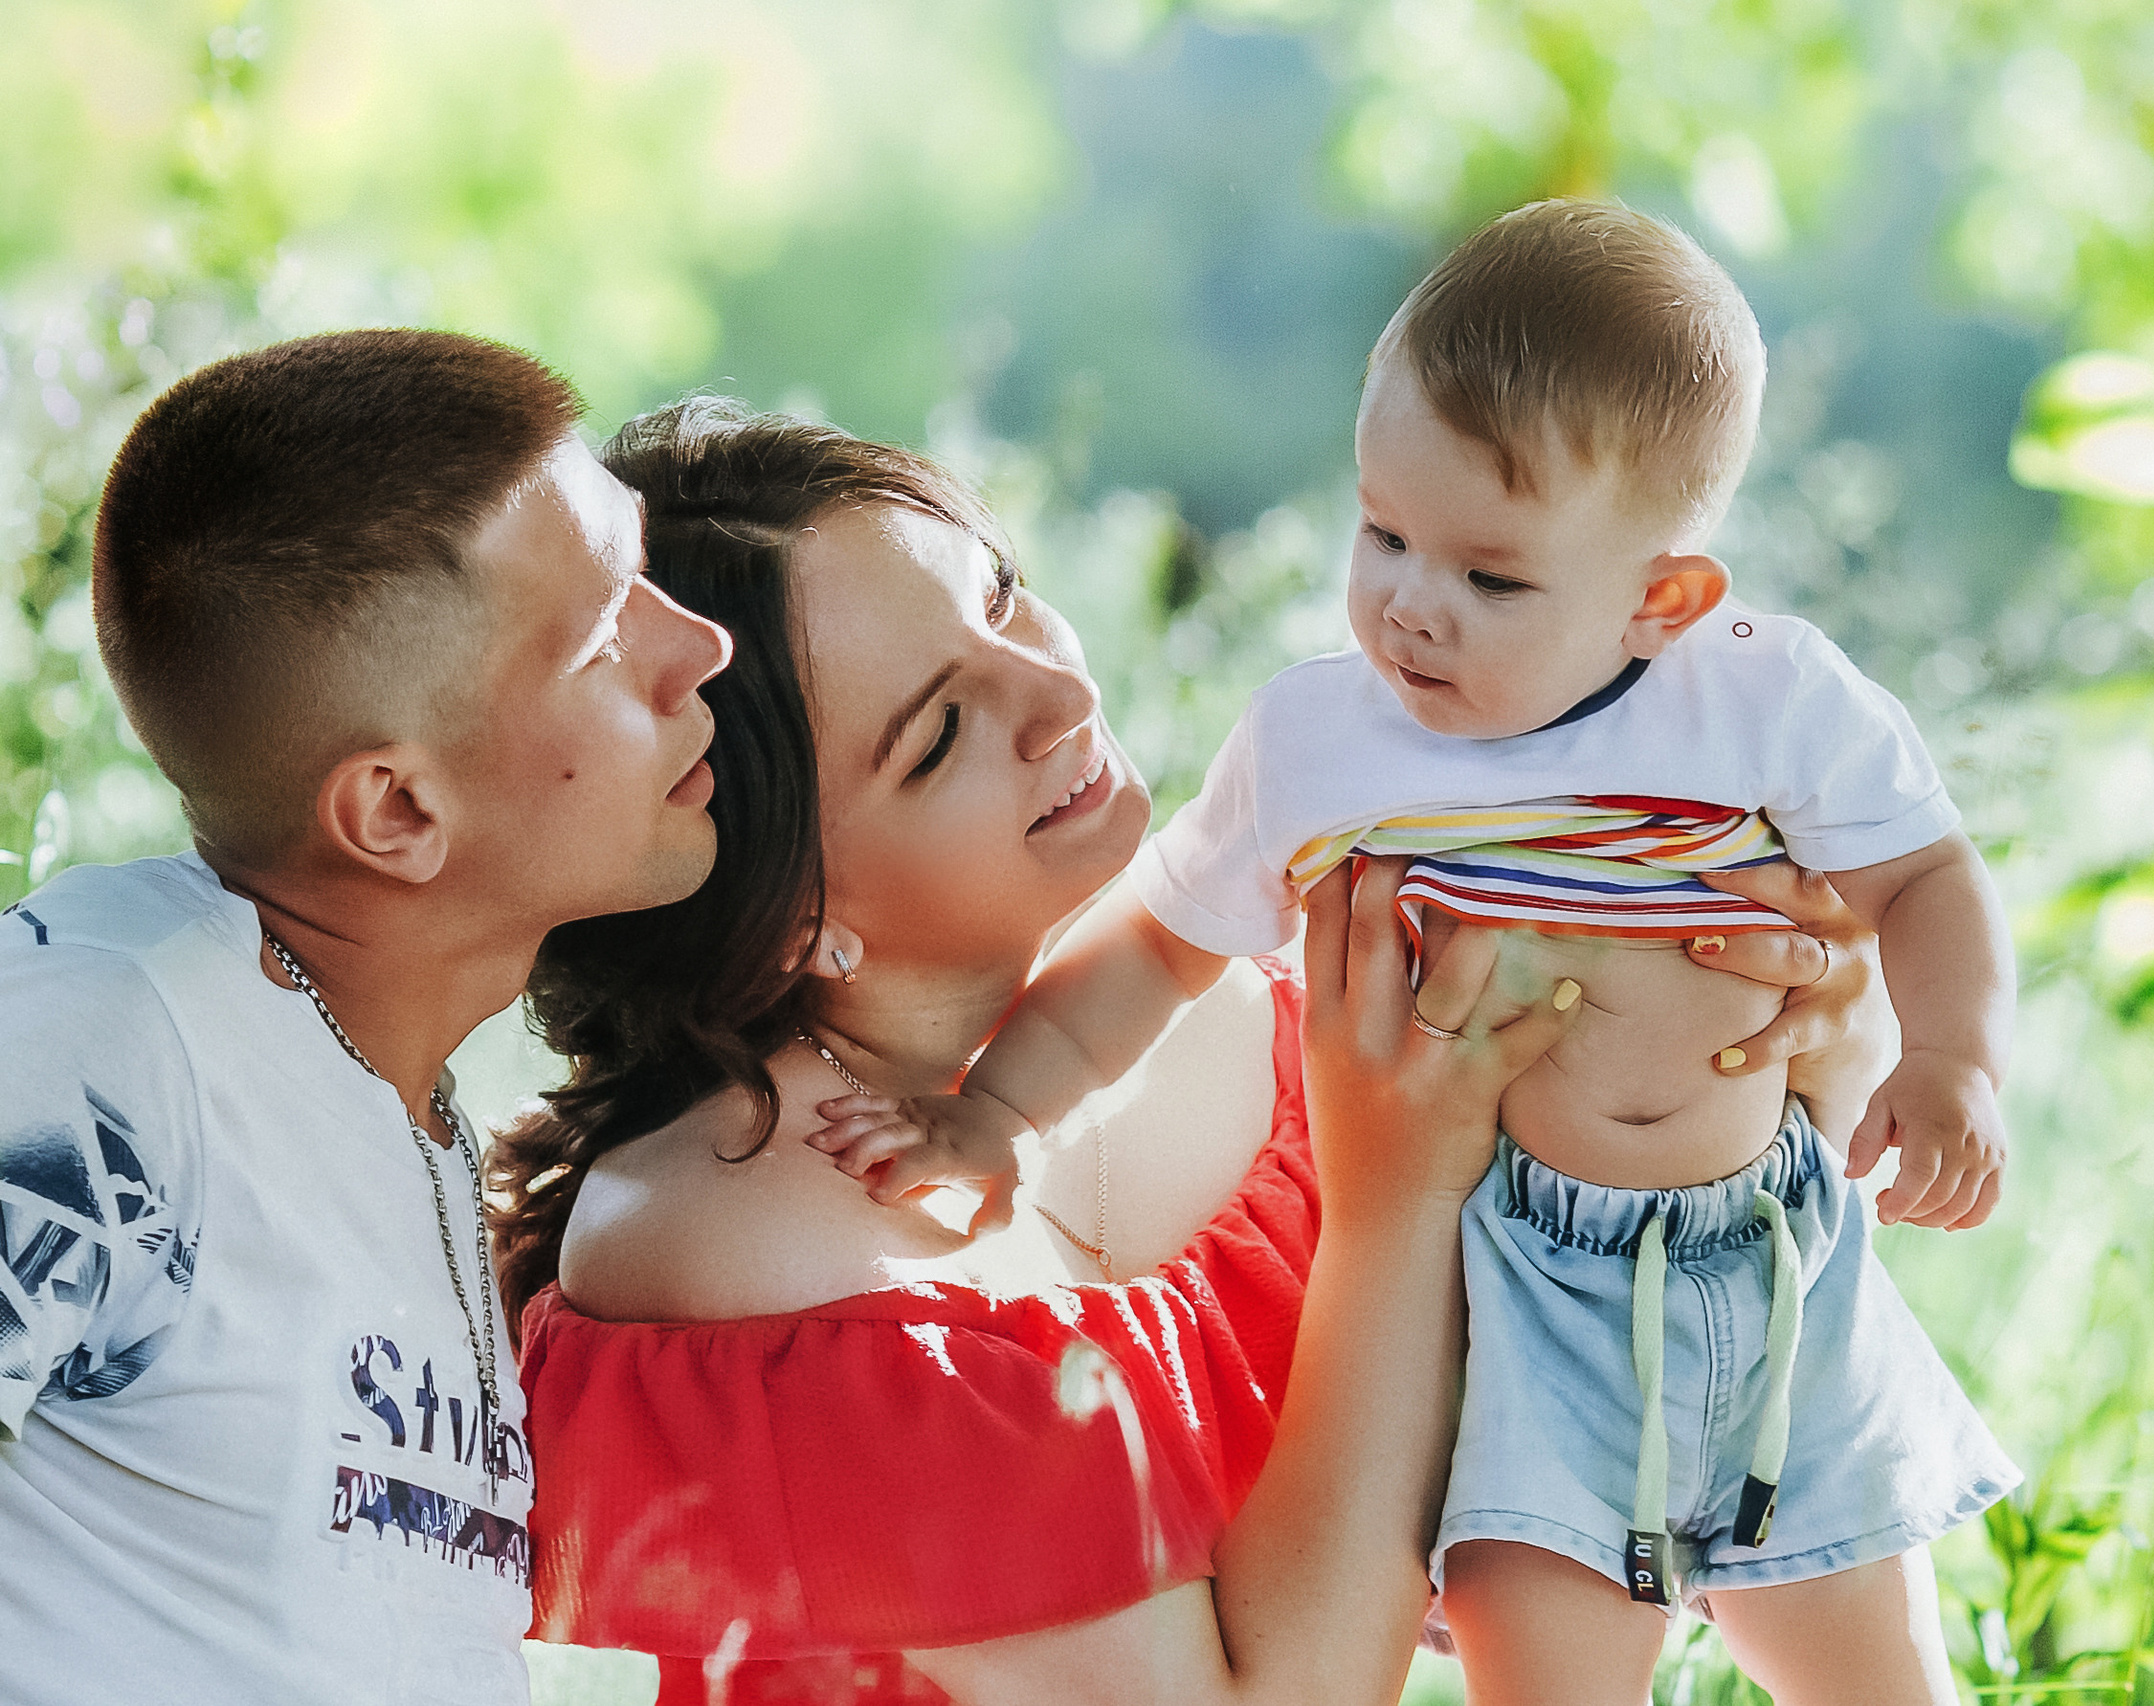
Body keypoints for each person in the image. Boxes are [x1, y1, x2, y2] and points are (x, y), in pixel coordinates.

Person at [488, 400, 1890, 1706]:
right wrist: (1394, 1200)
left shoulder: (1214, 976)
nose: (1054, 688)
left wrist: (1801, 1023)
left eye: (1001, 594)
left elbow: (1681, 1310)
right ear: (797, 918)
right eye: (940, 734)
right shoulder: (754, 1242)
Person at [836, 199, 2022, 1705]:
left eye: (1490, 577)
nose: (1410, 605)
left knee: (1882, 1678)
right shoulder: (1321, 742)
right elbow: (1156, 943)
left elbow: (1926, 876)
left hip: (1768, 1261)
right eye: (1382, 532)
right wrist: (1000, 1110)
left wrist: (1954, 1058)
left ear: (1662, 599)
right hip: (1513, 1296)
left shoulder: (1764, 697)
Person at [0, 330, 732, 1706]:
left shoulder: (404, 1109)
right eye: (602, 638)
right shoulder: (109, 1036)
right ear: (396, 810)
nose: (700, 647)